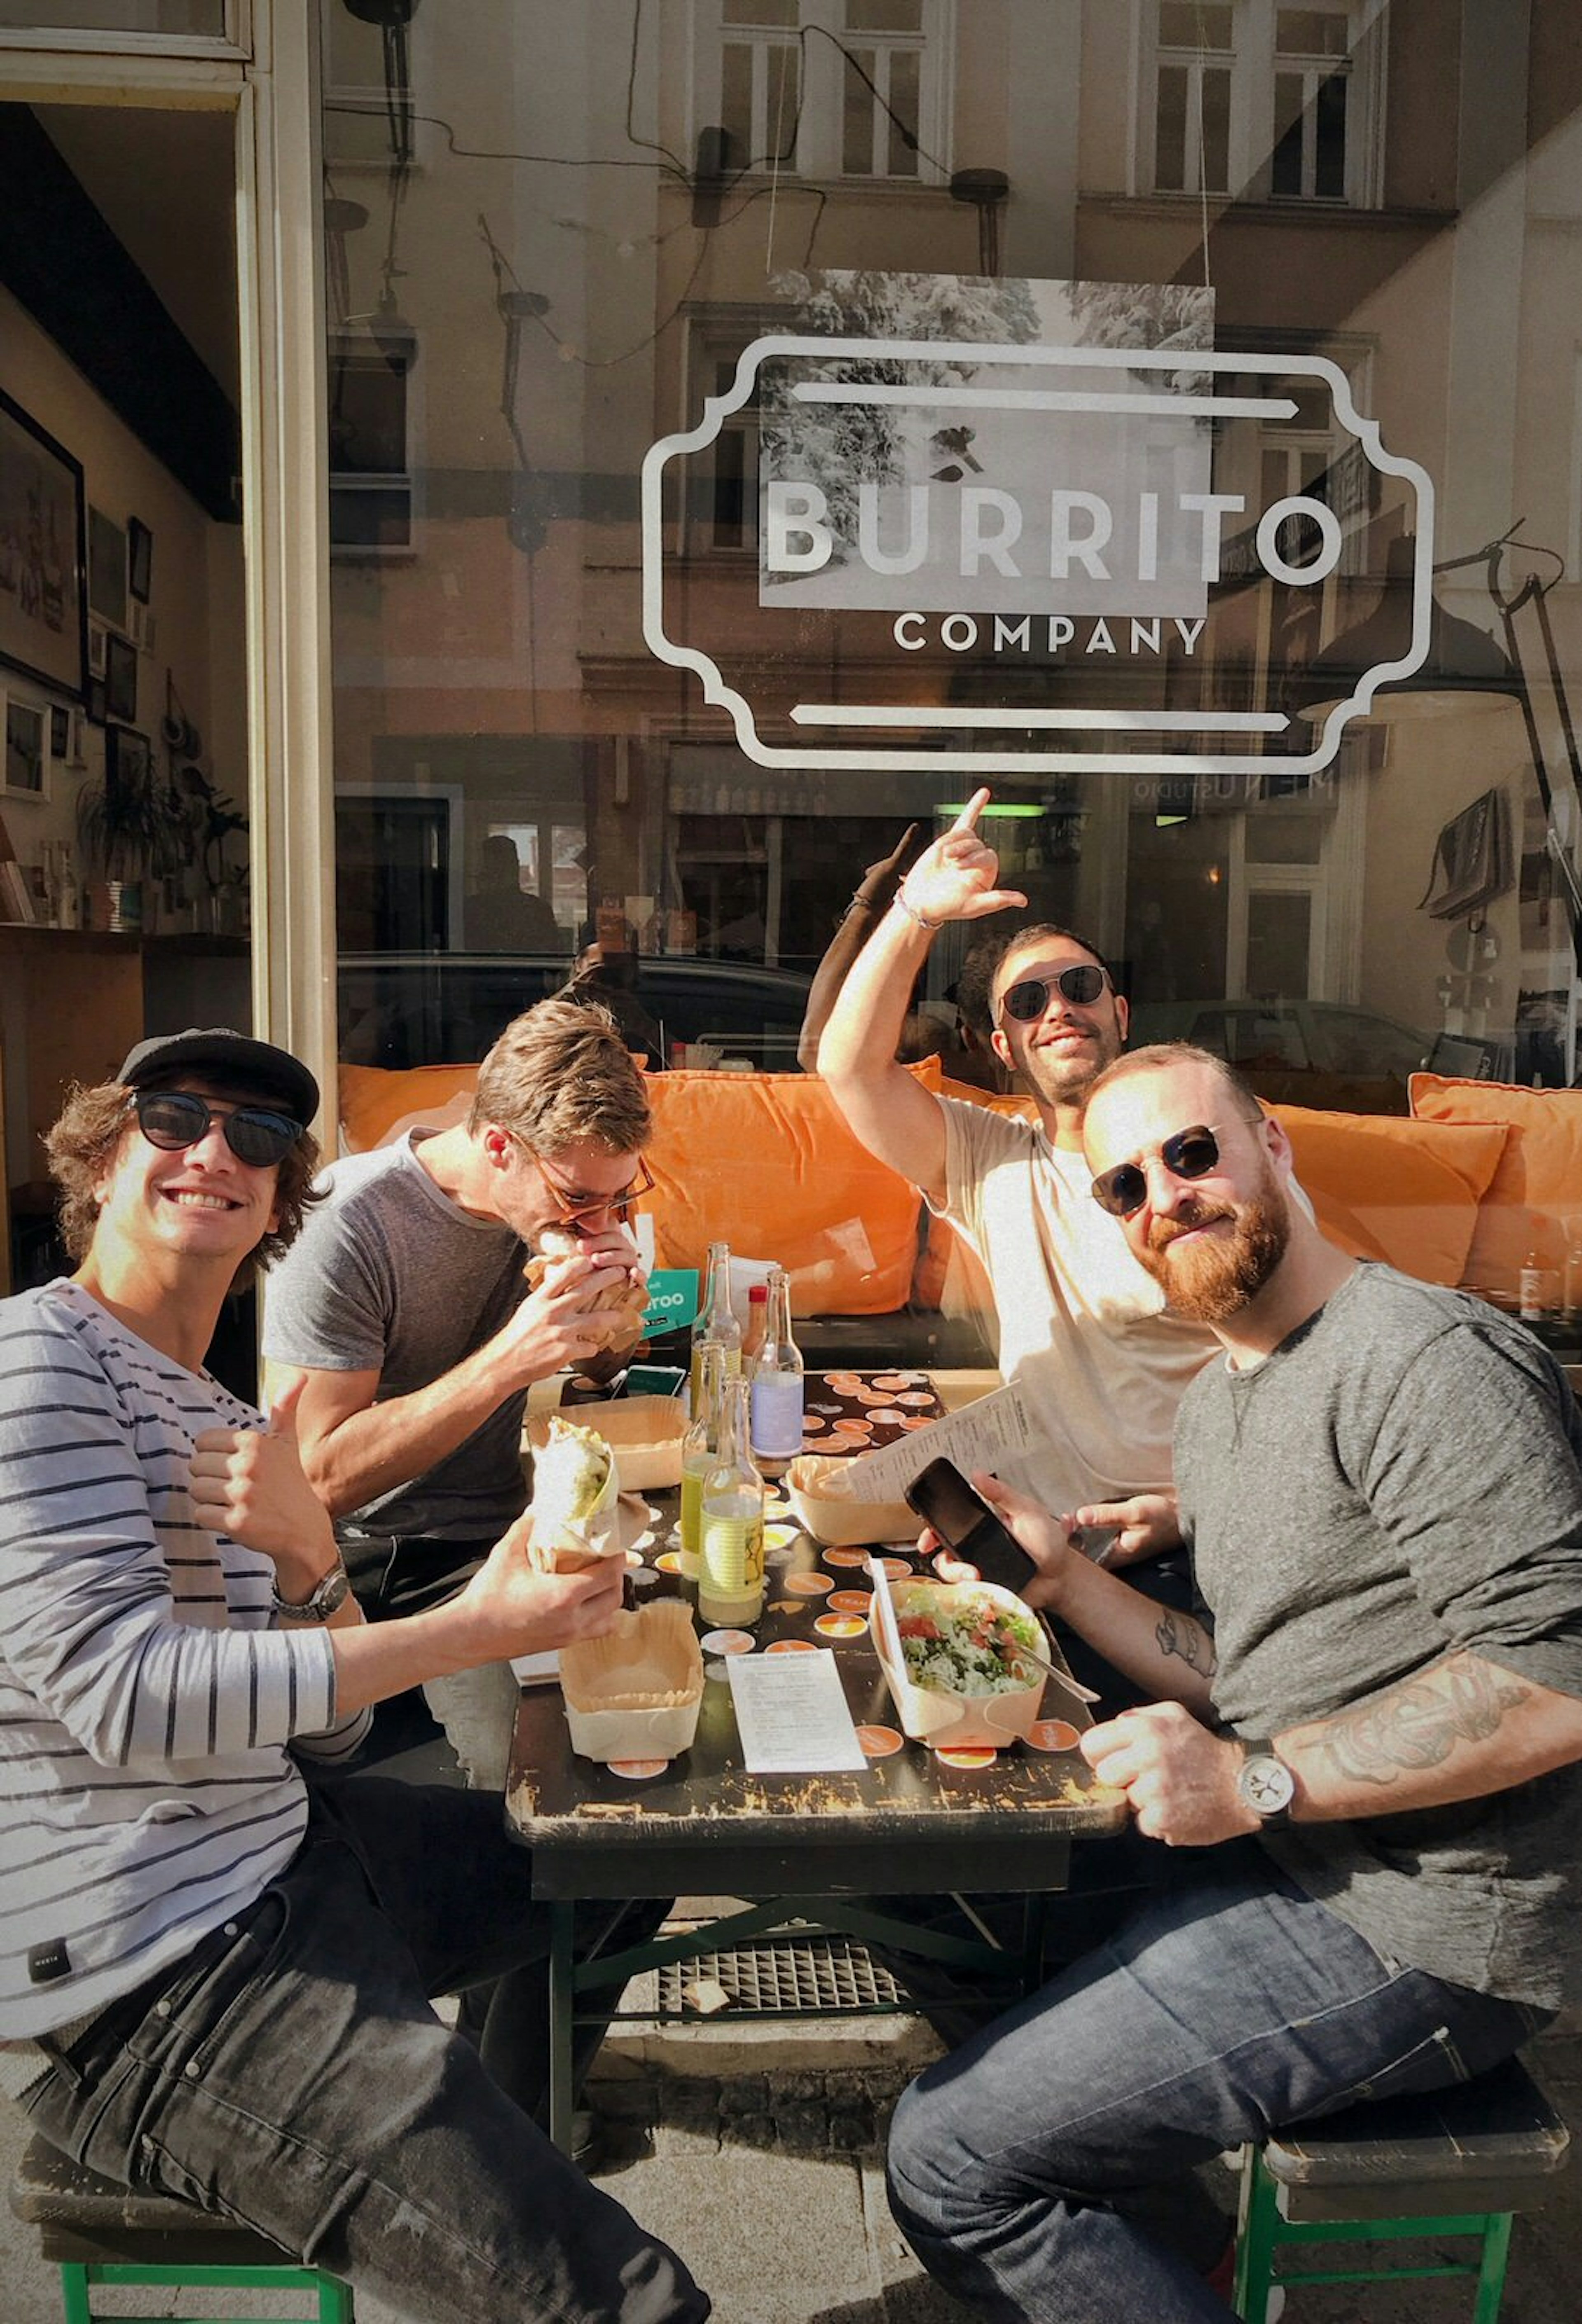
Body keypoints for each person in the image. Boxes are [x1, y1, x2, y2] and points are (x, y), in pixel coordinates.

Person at [0, 1027, 708, 2324]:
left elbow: (313, 1744)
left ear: (278, 1192)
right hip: (151, 1976)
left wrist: (309, 1565)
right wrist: (478, 1622)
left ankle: (496, 2149)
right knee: (630, 2302)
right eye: (171, 1119)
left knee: (604, 1842)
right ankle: (477, 2178)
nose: (215, 1151)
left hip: (283, 1847)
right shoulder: (33, 1362)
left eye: (257, 1138)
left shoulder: (201, 1401)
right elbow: (126, 1696)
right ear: (99, 1159)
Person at [886, 1041, 1582, 2323]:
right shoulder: (1219, 1400)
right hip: (1293, 1851)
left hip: (1425, 1922)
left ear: (1274, 1146)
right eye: (1123, 1185)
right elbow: (1237, 1671)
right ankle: (1165, 2246)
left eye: (1191, 1150)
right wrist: (1056, 1576)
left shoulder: (1419, 1359)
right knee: (954, 1891)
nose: (1166, 1194)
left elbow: (1555, 1674)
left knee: (949, 2161)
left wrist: (1256, 1779)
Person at [819, 784, 1265, 1562]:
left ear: (1121, 1013)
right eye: (1028, 1001)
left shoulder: (1207, 1159)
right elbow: (849, 1068)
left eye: (1080, 987)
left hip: (1197, 1540)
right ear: (1003, 1047)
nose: (1057, 1007)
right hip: (1044, 1540)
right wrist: (916, 913)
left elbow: (1300, 1364)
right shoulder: (992, 1159)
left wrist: (1189, 1510)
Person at [262, 995, 652, 1783]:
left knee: (650, 1727)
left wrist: (611, 1319)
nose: (600, 1216)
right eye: (580, 1199)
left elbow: (602, 1370)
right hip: (378, 1562)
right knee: (541, 1786)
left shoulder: (577, 1196)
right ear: (500, 1144)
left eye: (623, 1195)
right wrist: (512, 1358)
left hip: (506, 1531)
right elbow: (316, 1478)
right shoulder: (352, 1221)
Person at [465, 831, 564, 952]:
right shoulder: (470, 910)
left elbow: (553, 956)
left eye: (503, 867)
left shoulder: (538, 910)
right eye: (493, 867)